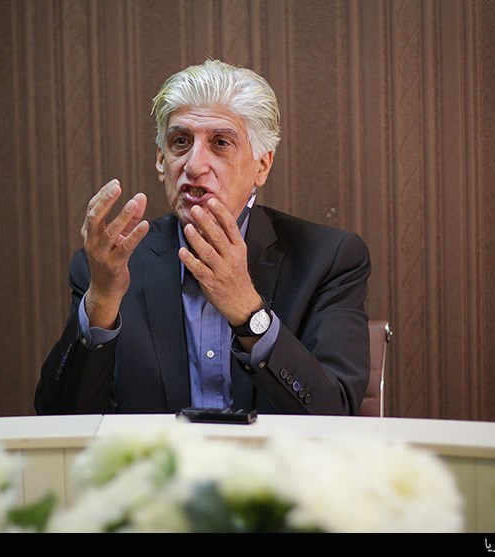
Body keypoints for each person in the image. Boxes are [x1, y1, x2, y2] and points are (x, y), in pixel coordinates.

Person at [35, 59, 371, 416]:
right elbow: (58, 419)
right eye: (180, 142)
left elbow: (335, 414)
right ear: (161, 160)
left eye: (220, 143)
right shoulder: (112, 266)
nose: (194, 165)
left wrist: (247, 311)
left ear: (262, 166)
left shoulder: (328, 259)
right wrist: (101, 301)